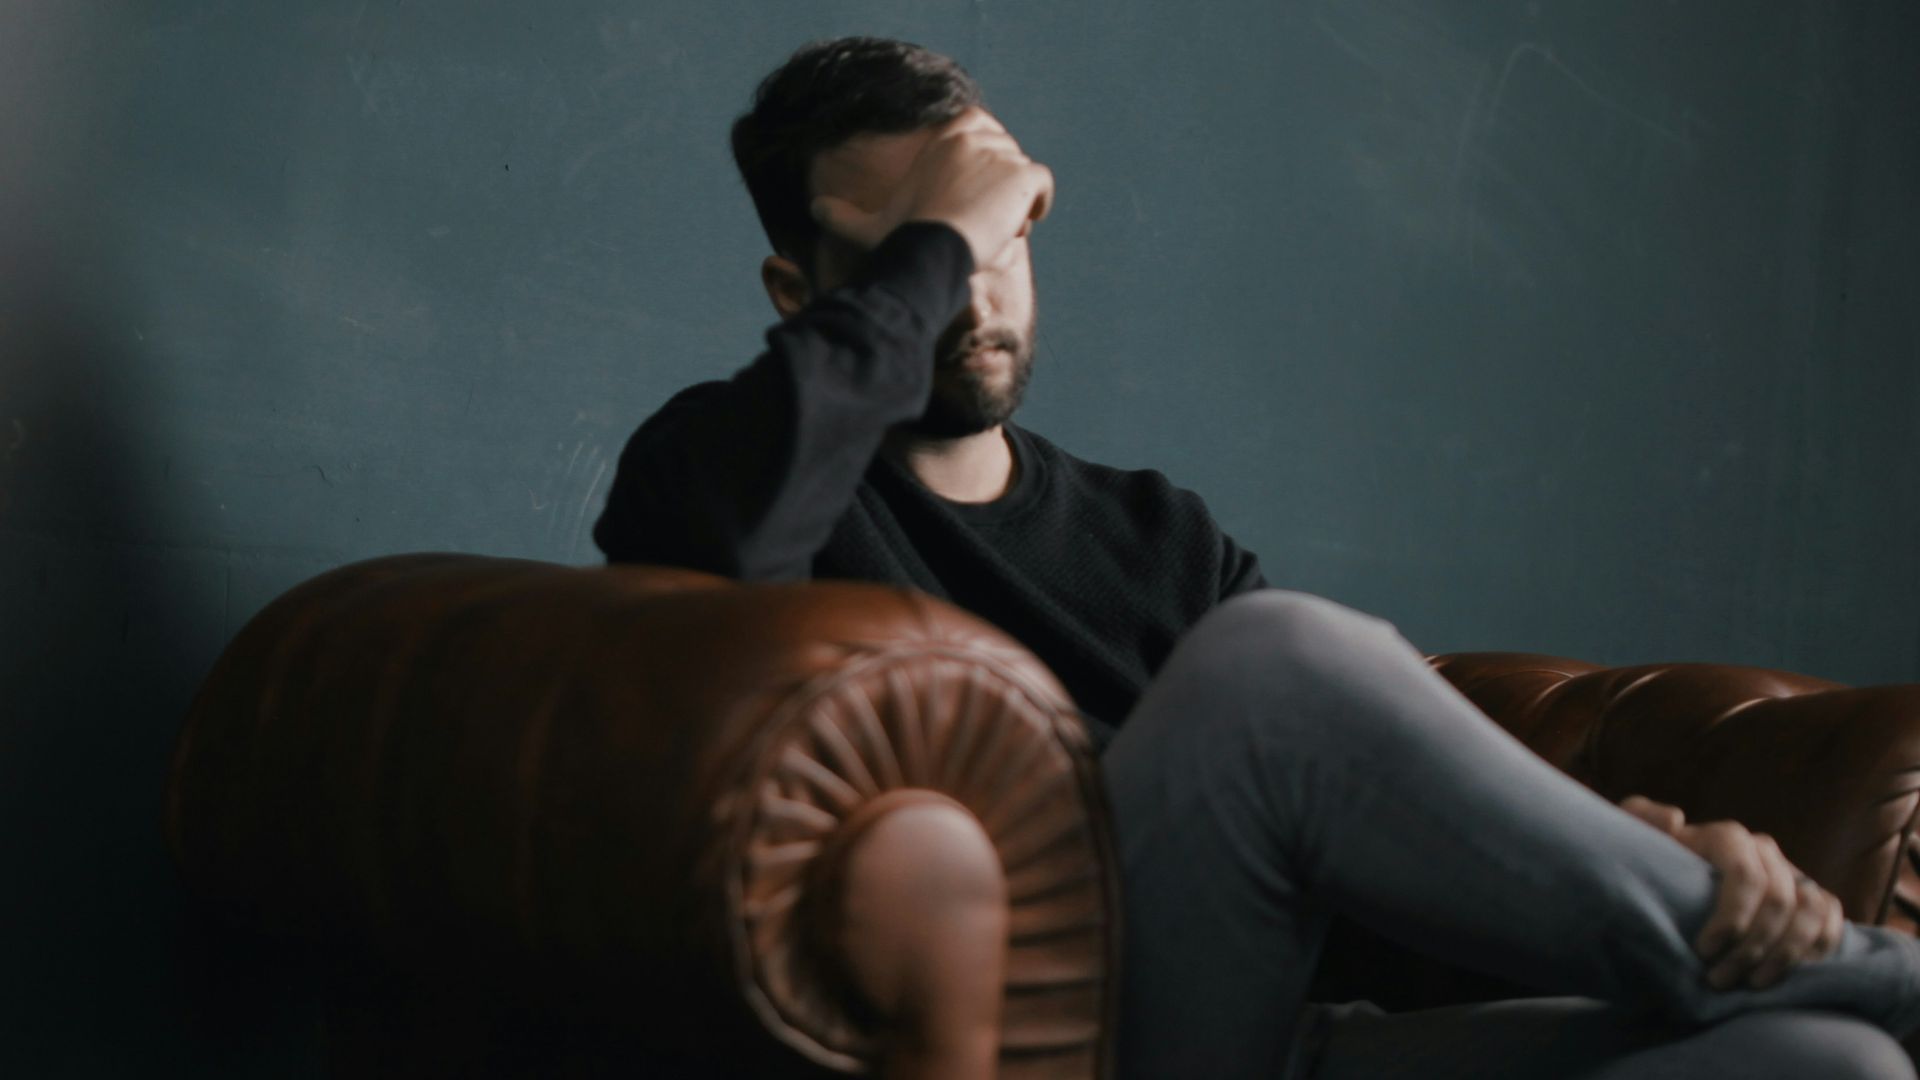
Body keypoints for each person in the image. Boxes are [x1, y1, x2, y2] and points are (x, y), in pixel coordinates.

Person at [593, 36, 1920, 1080]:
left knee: (1825, 1061)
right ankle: (1885, 973)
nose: (977, 293)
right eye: (923, 257)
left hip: (1270, 1045)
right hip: (1045, 1051)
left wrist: (1607, 861)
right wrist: (945, 233)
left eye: (1002, 241)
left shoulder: (1158, 535)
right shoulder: (721, 471)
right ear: (800, 293)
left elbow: (1358, 884)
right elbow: (733, 541)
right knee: (1272, 662)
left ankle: (1821, 980)